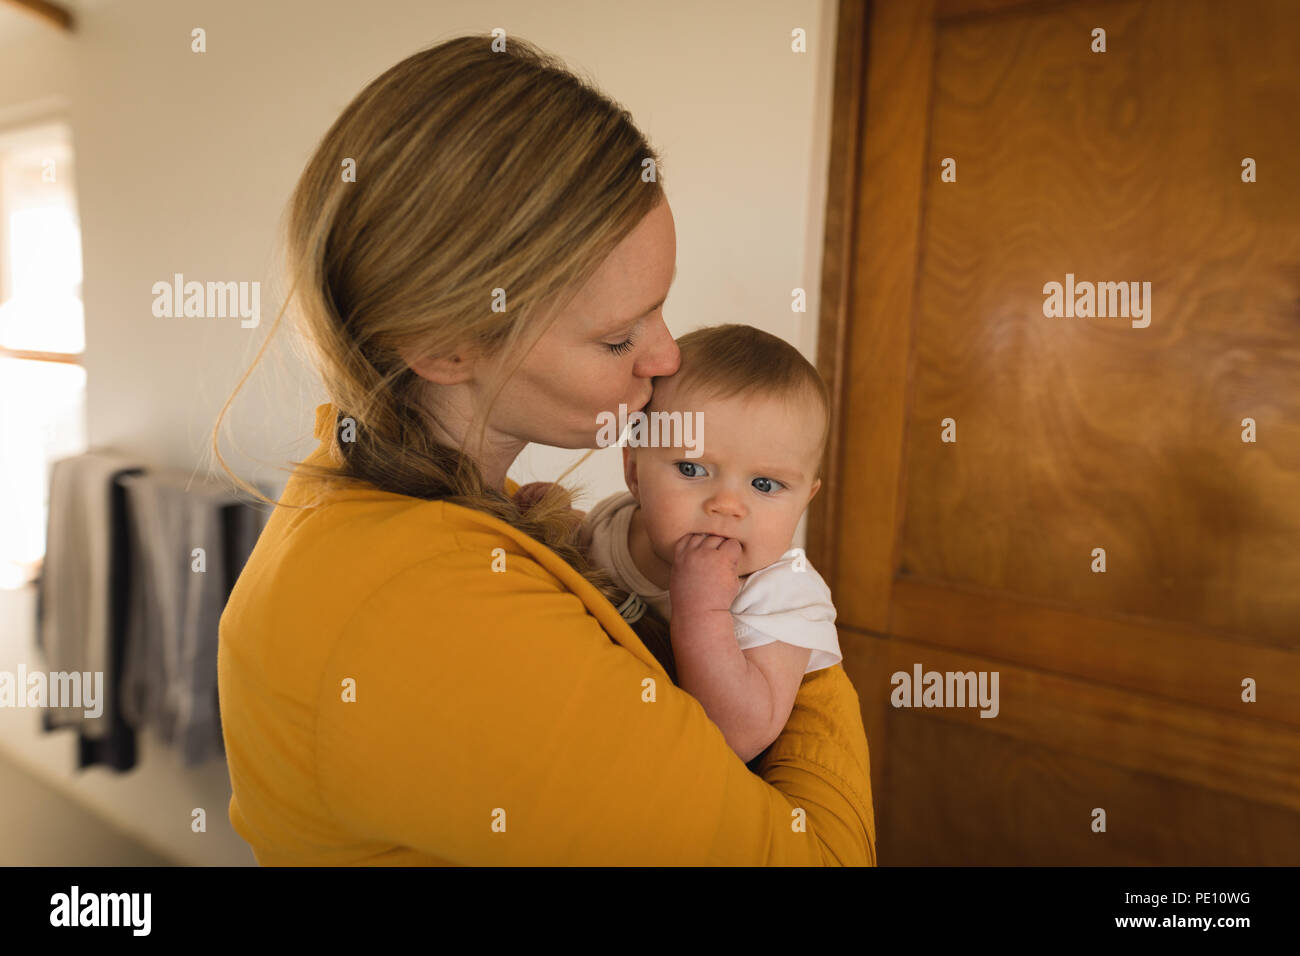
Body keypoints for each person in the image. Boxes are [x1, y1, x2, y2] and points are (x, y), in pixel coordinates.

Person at [214, 33, 876, 865]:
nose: (666, 357)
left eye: (661, 309)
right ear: (446, 346)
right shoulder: (433, 610)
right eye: (615, 339)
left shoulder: (435, 513)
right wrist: (791, 618)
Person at [579, 324, 842, 766]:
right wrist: (545, 522)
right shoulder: (612, 524)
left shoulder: (781, 593)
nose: (726, 504)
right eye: (692, 469)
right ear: (635, 472)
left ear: (805, 501)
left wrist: (703, 611)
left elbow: (741, 736)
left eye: (764, 483)